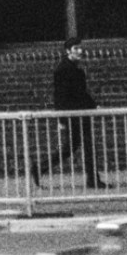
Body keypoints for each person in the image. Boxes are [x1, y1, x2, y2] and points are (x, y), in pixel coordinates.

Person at [32, 37, 109, 189]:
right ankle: (92, 179)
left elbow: (81, 93)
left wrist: (94, 105)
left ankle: (41, 168)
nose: (80, 51)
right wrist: (61, 119)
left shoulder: (74, 69)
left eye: (80, 48)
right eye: (76, 49)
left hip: (79, 114)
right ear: (68, 51)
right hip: (74, 115)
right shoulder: (64, 70)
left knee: (76, 147)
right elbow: (60, 96)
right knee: (81, 146)